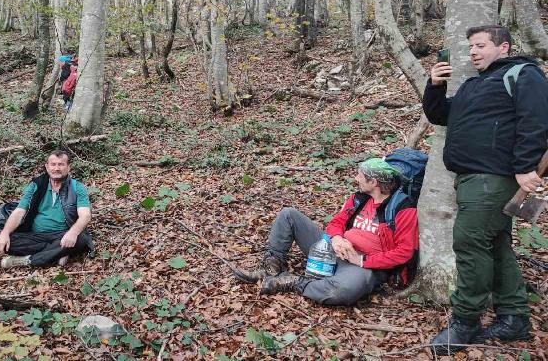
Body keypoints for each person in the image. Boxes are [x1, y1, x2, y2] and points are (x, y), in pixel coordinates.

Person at [423, 25, 548, 354]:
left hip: (492, 178)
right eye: (471, 47)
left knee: (469, 242)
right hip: (471, 179)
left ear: (503, 47)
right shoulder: (475, 85)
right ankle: (513, 317)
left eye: (480, 45)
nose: (473, 52)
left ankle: (465, 322)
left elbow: (536, 120)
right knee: (495, 246)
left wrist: (525, 167)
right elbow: (441, 115)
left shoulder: (524, 74)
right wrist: (435, 85)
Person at [233, 158, 419, 305]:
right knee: (289, 215)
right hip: (334, 250)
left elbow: (404, 252)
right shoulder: (359, 198)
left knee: (344, 291)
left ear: (374, 182)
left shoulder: (403, 209)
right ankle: (270, 268)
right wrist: (337, 238)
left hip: (363, 267)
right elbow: (337, 222)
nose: (356, 179)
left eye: (360, 176)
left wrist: (362, 260)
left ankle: (294, 282)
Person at [0, 151, 93, 268]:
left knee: (80, 239)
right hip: (36, 235)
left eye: (61, 164)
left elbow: (85, 215)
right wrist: (4, 233)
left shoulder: (77, 187)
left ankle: (29, 260)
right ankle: (59, 253)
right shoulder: (36, 185)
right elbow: (19, 211)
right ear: (47, 167)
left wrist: (72, 233)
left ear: (68, 167)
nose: (56, 168)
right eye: (53, 164)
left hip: (63, 234)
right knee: (8, 241)